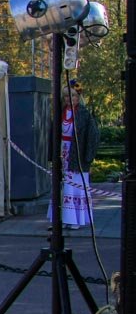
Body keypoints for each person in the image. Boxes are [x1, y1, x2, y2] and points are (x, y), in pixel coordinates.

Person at [49, 80, 99, 229]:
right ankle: (62, 218)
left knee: (75, 186)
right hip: (62, 152)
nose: (69, 99)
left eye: (72, 96)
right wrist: (52, 154)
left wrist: (88, 156)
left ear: (78, 97)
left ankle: (76, 219)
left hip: (77, 155)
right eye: (66, 96)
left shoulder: (84, 114)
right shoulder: (60, 113)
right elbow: (53, 134)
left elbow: (93, 136)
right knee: (62, 186)